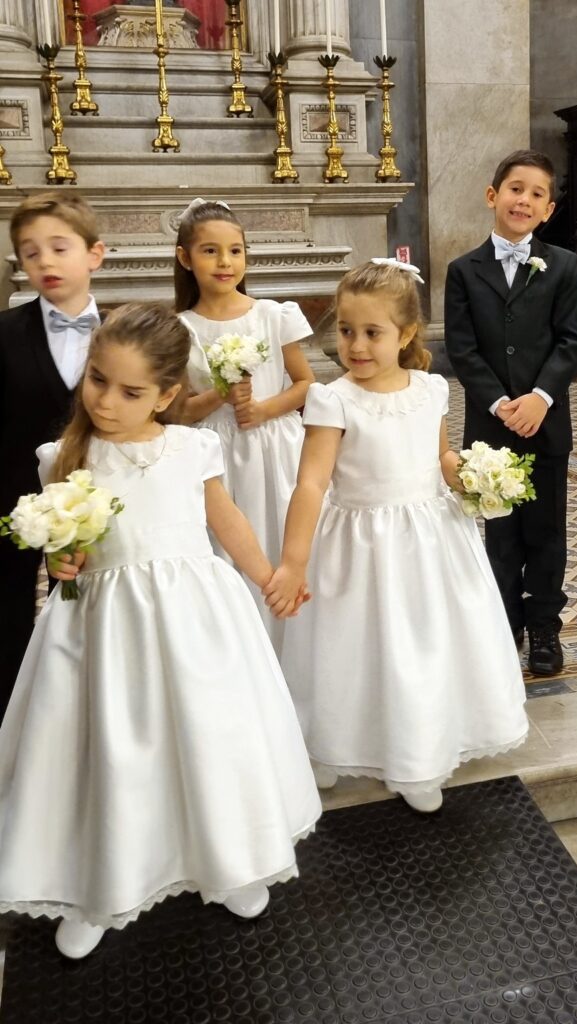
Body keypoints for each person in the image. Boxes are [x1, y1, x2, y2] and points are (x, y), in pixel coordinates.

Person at [0, 303, 321, 960]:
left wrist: (269, 576)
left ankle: (229, 862)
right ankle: (98, 887)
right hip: (104, 633)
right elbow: (65, 551)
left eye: (130, 391)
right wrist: (63, 560)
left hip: (195, 623)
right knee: (108, 752)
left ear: (168, 394)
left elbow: (225, 520)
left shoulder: (192, 448)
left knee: (209, 740)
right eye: (97, 380)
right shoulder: (63, 456)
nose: (105, 401)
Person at [265, 259, 528, 814]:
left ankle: (418, 756)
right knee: (349, 651)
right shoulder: (333, 399)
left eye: (372, 332)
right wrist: (292, 562)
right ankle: (329, 745)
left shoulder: (431, 389)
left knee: (420, 650)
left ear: (406, 334)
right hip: (359, 547)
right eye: (346, 331)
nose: (356, 346)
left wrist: (473, 477)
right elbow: (311, 484)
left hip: (430, 542)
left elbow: (439, 456)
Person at [444, 150, 577, 675]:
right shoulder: (463, 271)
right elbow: (462, 349)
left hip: (546, 423)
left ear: (548, 210)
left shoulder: (564, 266)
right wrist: (500, 403)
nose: (523, 200)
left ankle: (545, 625)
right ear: (493, 195)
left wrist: (541, 397)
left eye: (536, 194)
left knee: (546, 531)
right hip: (491, 426)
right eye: (515, 188)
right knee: (501, 533)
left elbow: (572, 340)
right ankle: (505, 622)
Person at [174, 198, 315, 656]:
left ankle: (293, 652)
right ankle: (240, 655)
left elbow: (306, 384)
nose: (225, 262)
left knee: (279, 540)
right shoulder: (181, 330)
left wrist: (264, 410)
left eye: (235, 251)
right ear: (185, 258)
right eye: (210, 251)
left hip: (274, 452)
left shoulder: (272, 316)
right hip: (215, 459)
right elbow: (179, 411)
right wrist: (221, 392)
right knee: (227, 553)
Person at [0, 192, 105, 721]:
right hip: (14, 501)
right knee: (10, 620)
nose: (45, 261)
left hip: (103, 502)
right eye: (30, 251)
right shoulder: (4, 333)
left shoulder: (123, 333)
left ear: (94, 254)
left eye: (59, 248)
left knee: (101, 616)